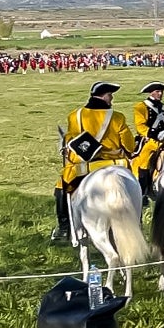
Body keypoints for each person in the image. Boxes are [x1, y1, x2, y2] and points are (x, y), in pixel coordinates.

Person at [51, 81, 137, 243]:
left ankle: (63, 228)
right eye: (110, 95)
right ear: (104, 96)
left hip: (85, 166)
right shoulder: (117, 117)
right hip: (114, 164)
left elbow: (72, 141)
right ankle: (136, 222)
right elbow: (129, 146)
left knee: (61, 187)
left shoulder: (75, 116)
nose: (111, 98)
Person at [130, 81, 164, 204]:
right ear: (151, 92)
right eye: (157, 91)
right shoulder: (140, 107)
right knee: (144, 161)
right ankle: (143, 192)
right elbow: (140, 126)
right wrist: (153, 134)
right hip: (150, 141)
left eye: (161, 91)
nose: (160, 94)